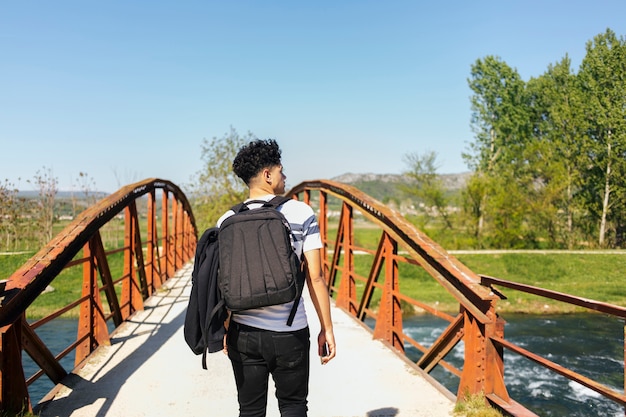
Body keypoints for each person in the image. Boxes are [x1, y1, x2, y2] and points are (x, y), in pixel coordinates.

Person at [217, 139, 336, 417]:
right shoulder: (301, 212)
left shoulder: (226, 220)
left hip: (243, 334)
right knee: (293, 406)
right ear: (268, 175)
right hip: (290, 334)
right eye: (282, 171)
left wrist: (224, 327)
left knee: (250, 410)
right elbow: (316, 277)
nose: (286, 177)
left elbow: (225, 282)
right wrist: (326, 328)